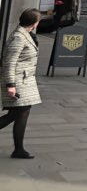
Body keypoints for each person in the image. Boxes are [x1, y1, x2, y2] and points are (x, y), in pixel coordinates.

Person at [1, 8, 42, 159]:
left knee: (20, 112)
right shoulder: (19, 37)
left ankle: (19, 149)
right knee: (19, 112)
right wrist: (10, 85)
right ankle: (18, 149)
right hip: (18, 81)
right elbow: (9, 62)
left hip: (25, 81)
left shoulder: (26, 34)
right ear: (34, 23)